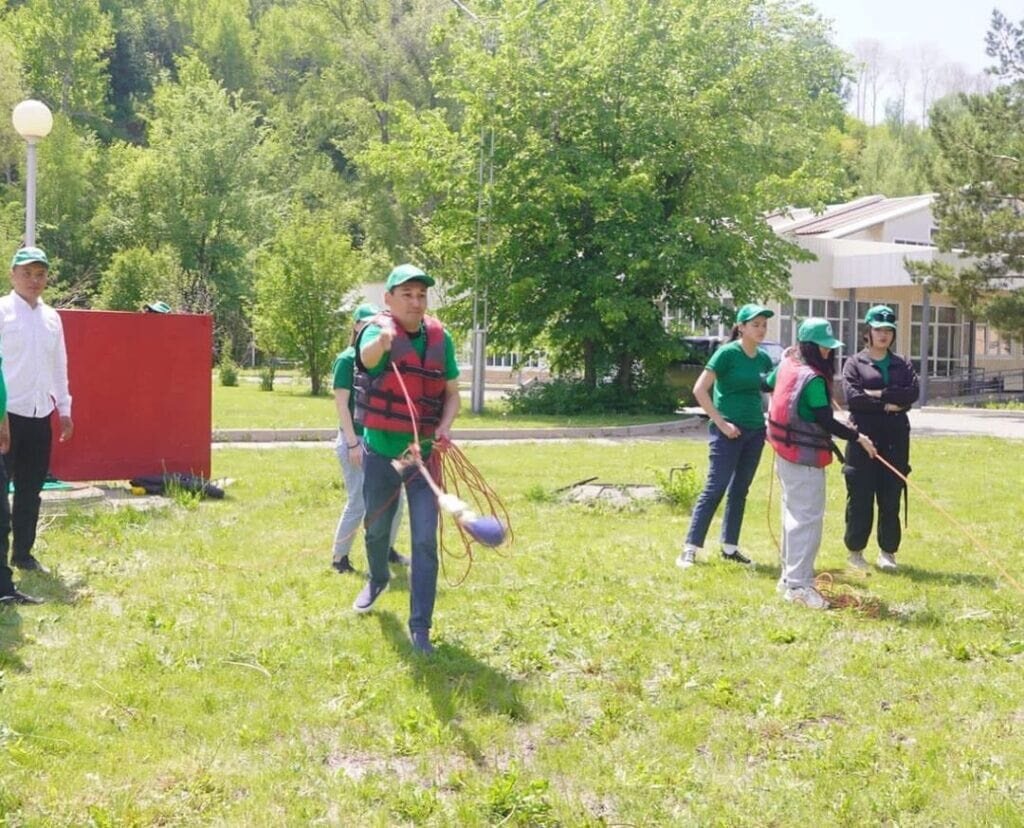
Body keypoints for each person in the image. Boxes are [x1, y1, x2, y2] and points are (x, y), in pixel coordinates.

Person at [351, 264, 460, 655]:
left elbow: (452, 394)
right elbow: (366, 356)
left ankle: (421, 628)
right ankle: (378, 578)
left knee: (425, 540)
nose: (416, 302)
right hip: (381, 452)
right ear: (390, 299)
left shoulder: (438, 338)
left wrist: (445, 426)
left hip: (423, 457)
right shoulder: (377, 331)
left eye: (421, 295)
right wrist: (382, 341)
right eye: (407, 294)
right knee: (377, 531)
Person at [766, 318, 876, 610]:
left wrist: (788, 356)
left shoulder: (788, 365)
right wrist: (858, 437)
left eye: (830, 348)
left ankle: (788, 580)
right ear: (809, 346)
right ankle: (799, 586)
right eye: (823, 348)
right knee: (807, 521)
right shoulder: (812, 379)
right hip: (803, 458)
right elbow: (825, 420)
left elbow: (766, 380)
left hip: (785, 454)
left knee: (793, 517)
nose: (828, 353)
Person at [677, 303, 775, 569]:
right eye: (755, 325)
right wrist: (721, 424)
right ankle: (690, 547)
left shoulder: (764, 359)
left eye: (764, 325)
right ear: (741, 327)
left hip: (755, 432)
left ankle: (730, 548)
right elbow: (700, 390)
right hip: (727, 432)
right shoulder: (726, 354)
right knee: (715, 488)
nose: (761, 329)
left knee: (740, 490)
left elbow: (771, 392)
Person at [0, 246, 72, 591]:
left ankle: (23, 554)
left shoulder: (52, 318)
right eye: (27, 273)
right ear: (13, 275)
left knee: (31, 489)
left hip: (39, 414)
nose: (34, 280)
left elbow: (60, 366)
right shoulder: (1, 311)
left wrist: (65, 409)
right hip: (5, 417)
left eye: (40, 274)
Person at [330, 303, 408, 574]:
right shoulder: (347, 359)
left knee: (396, 501)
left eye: (376, 324)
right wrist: (352, 443)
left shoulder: (381, 361)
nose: (370, 329)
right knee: (359, 502)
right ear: (355, 326)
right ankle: (339, 558)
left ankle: (386, 550)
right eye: (365, 323)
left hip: (380, 442)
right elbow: (342, 405)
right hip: (356, 441)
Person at [841, 305, 919, 572]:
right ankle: (855, 551)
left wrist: (876, 394)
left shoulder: (902, 363)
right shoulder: (854, 362)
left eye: (888, 330)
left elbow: (911, 394)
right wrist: (888, 402)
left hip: (896, 439)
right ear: (868, 332)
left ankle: (888, 552)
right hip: (863, 437)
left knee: (890, 497)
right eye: (878, 330)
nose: (883, 335)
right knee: (860, 496)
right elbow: (854, 398)